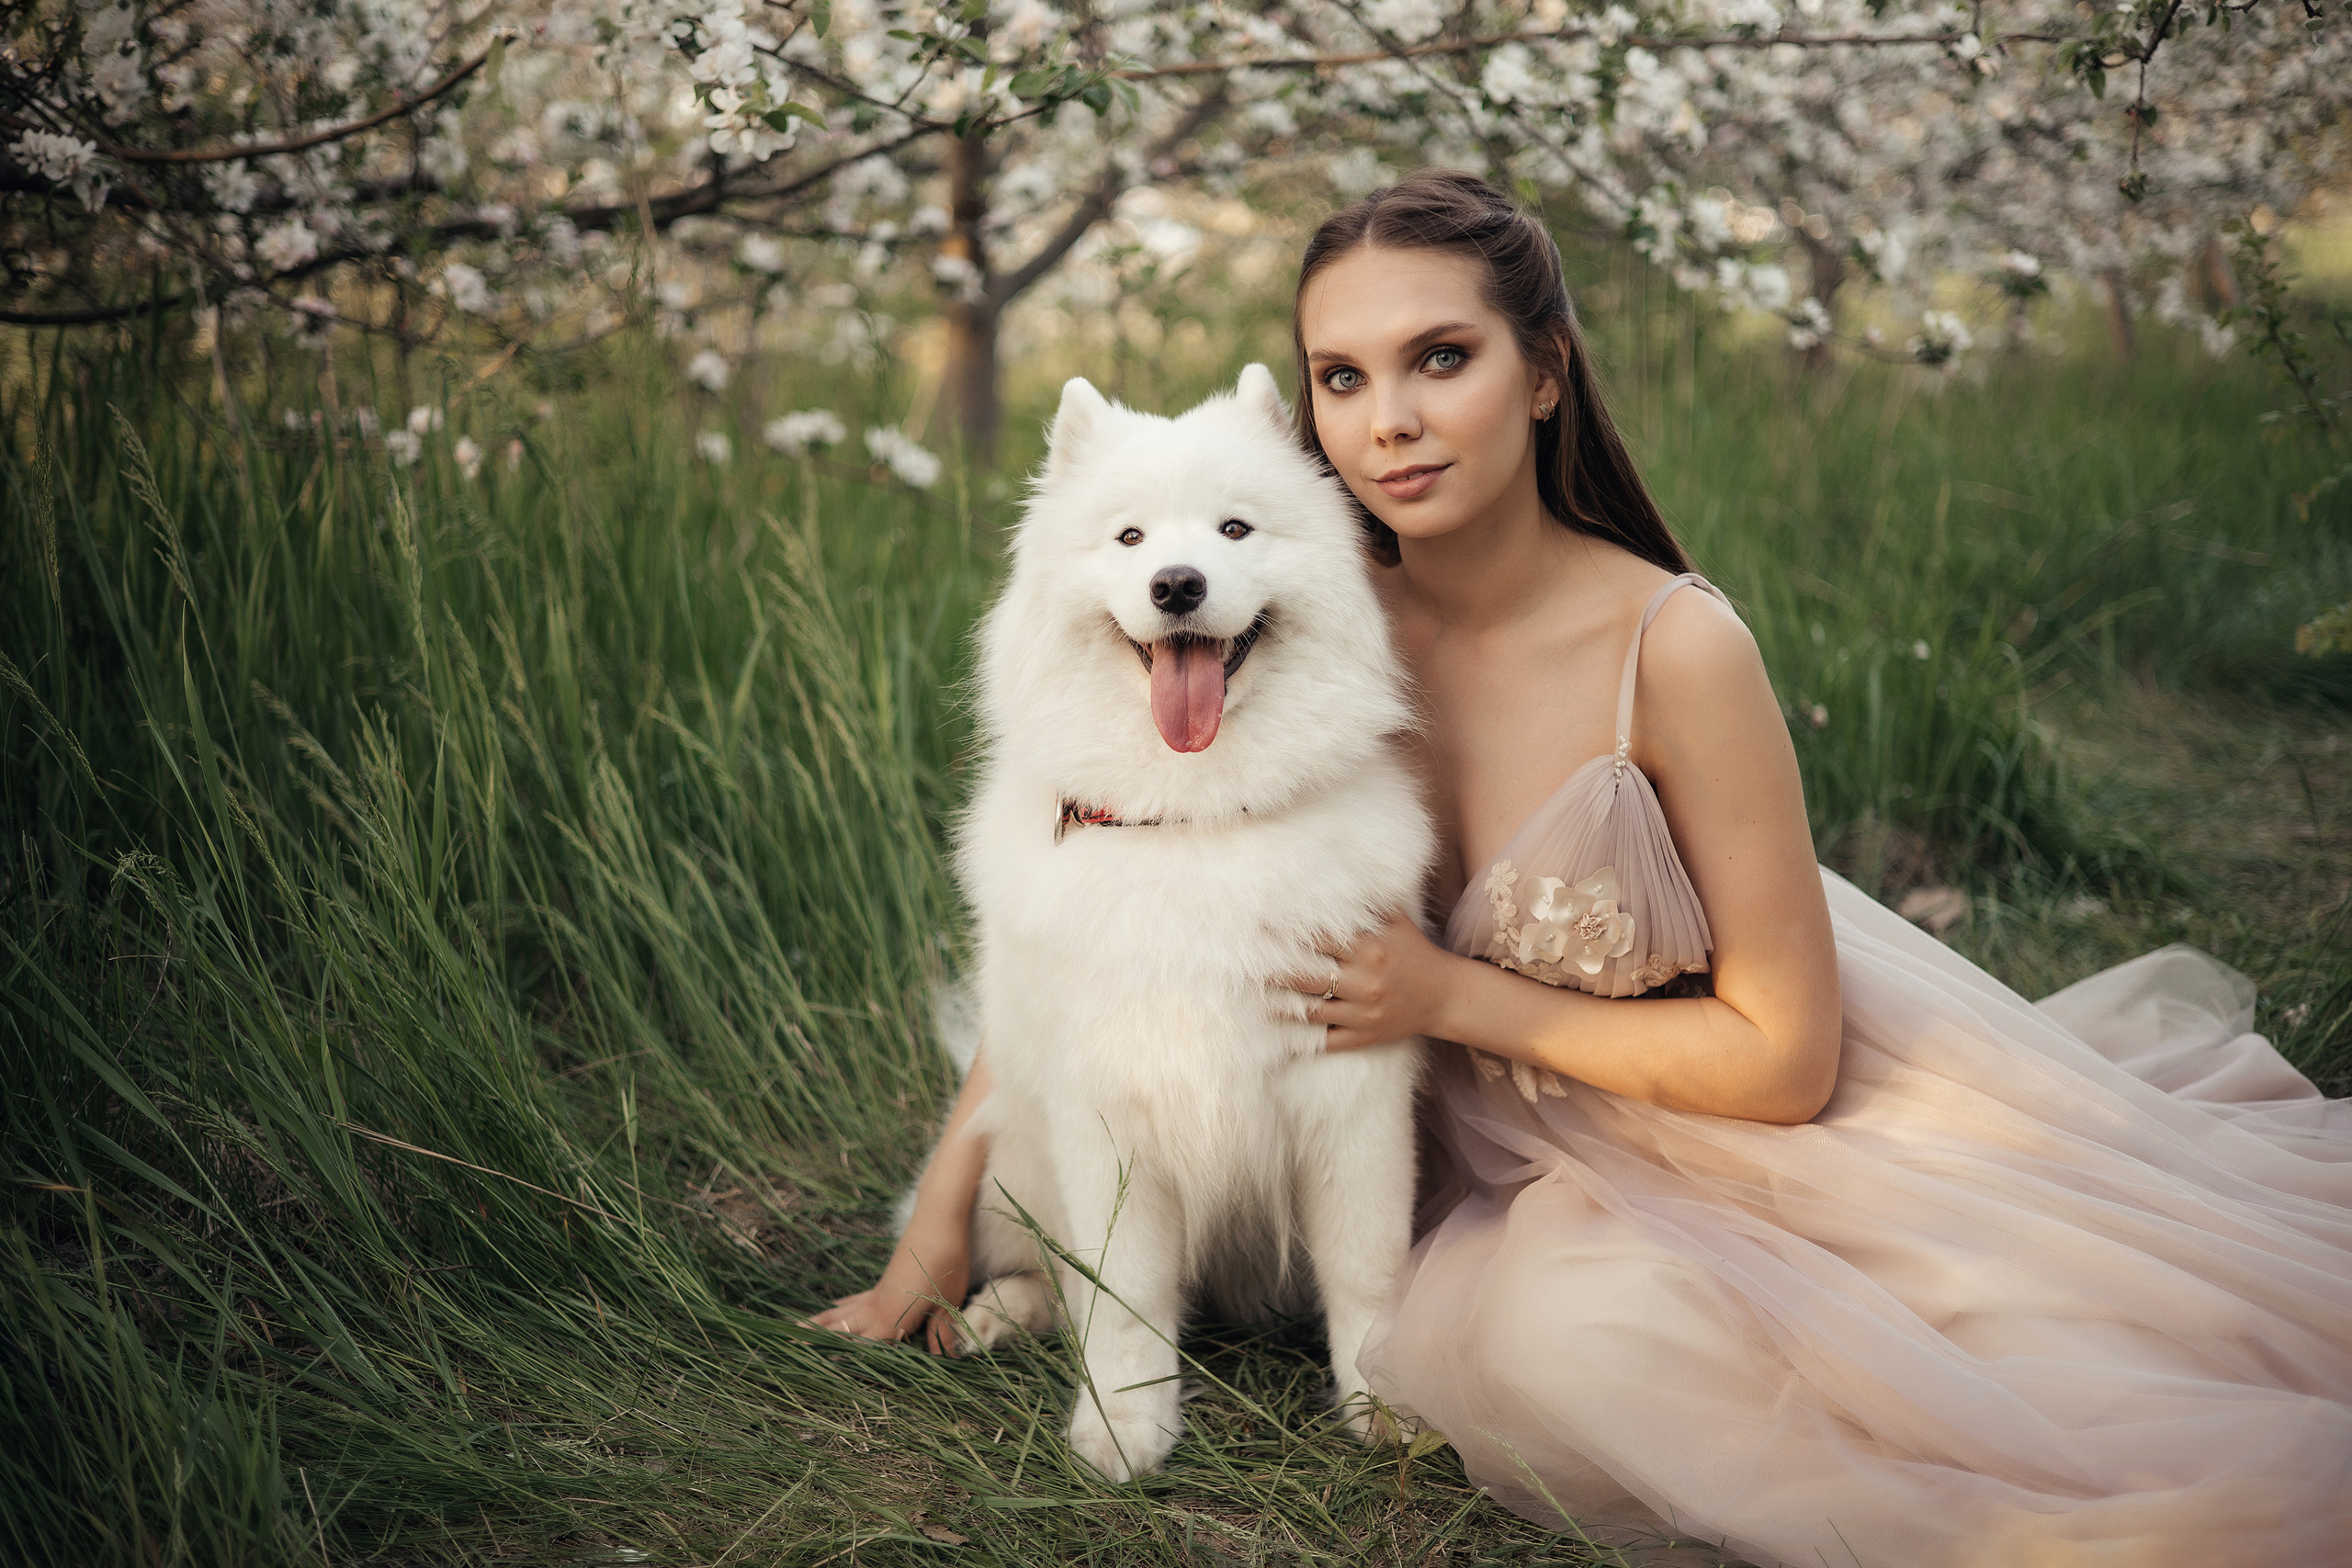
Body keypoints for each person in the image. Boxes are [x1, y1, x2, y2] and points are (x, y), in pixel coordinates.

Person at [811, 170, 2352, 1566]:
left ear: (1544, 373)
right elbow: (1079, 937)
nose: (1388, 422)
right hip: (1442, 1155)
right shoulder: (1291, 636)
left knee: (1959, 1354)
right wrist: (934, 1235)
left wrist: (1450, 991)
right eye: (1341, 380)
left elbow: (1785, 1059)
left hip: (1699, 1121)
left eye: (1442, 359)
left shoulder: (1674, 645)